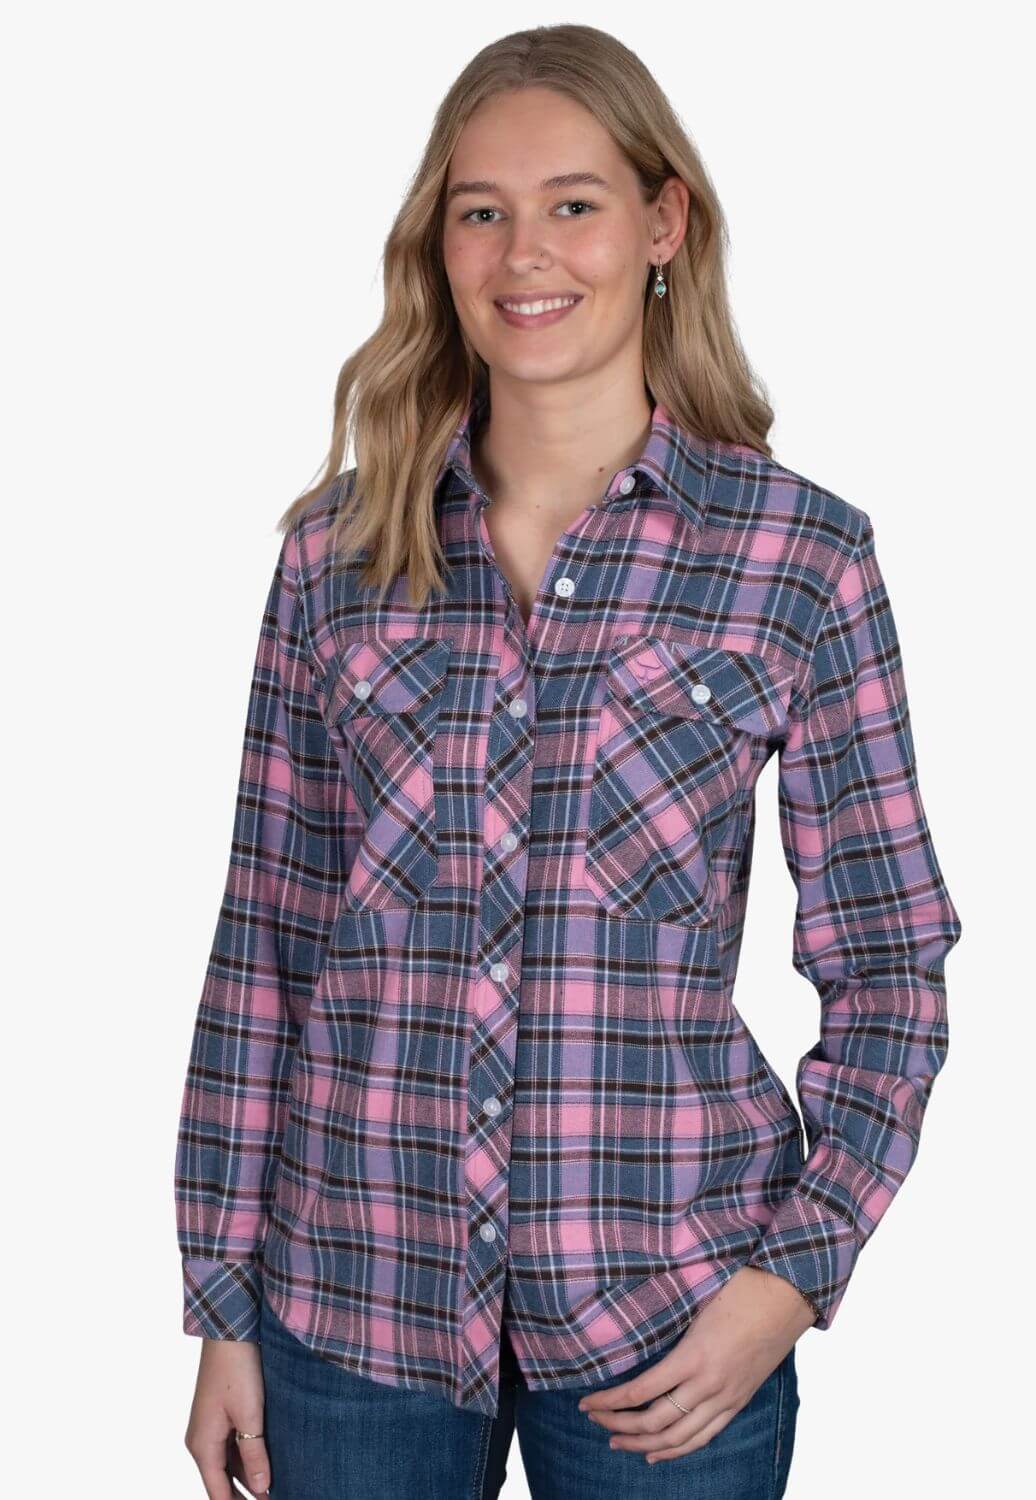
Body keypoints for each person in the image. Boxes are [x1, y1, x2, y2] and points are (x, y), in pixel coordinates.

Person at [175, 23, 962, 1500]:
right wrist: (222, 1303)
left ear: (664, 224)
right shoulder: (336, 556)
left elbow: (891, 961)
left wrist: (791, 1278)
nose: (524, 252)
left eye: (573, 204)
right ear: (439, 246)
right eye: (481, 210)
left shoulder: (798, 558)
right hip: (352, 1306)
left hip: (670, 1316)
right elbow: (265, 942)